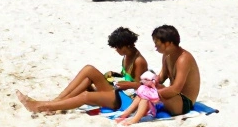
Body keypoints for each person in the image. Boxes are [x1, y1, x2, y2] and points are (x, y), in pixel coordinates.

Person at [14, 27, 149, 113]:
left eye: (118, 48)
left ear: (127, 45)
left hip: (126, 99)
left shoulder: (139, 61)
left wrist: (125, 83)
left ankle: (42, 106)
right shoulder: (127, 56)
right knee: (88, 71)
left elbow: (141, 87)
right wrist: (116, 77)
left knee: (85, 96)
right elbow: (127, 77)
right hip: (119, 90)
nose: (117, 51)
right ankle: (56, 101)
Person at [147, 25, 201, 117]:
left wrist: (154, 93)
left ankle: (134, 117)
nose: (155, 46)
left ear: (168, 43)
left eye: (157, 43)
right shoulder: (166, 55)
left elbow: (176, 89)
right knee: (146, 89)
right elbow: (162, 77)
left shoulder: (183, 59)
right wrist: (151, 81)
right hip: (174, 95)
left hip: (184, 102)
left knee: (147, 94)